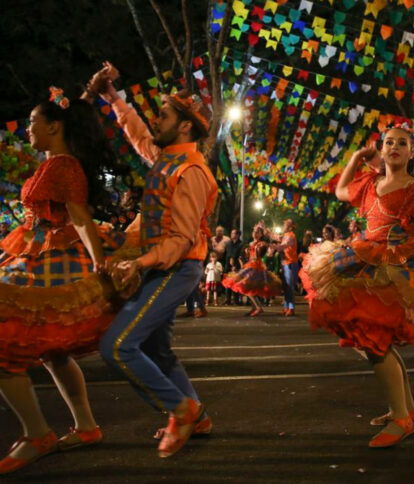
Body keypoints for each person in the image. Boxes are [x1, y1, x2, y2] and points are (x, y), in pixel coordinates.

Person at [0, 88, 130, 475]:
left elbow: (80, 215)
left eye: (32, 122)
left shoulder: (62, 166)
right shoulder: (57, 161)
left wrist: (99, 263)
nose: (26, 130)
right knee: (52, 351)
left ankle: (37, 433)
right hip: (35, 249)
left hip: (46, 257)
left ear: (54, 127)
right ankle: (85, 427)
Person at [301, 124, 414, 447]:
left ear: (411, 152)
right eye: (388, 142)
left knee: (374, 340)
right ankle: (405, 408)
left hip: (398, 269)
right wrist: (354, 158)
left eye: (401, 143)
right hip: (363, 261)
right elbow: (340, 190)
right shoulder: (371, 184)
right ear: (381, 150)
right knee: (370, 341)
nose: (394, 147)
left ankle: (401, 418)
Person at [90, 63, 217, 458]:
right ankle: (197, 414)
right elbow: (138, 134)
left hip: (177, 267)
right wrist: (113, 97)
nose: (155, 120)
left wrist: (140, 263)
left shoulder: (191, 171)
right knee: (159, 352)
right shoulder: (166, 158)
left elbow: (181, 240)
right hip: (161, 264)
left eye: (163, 115)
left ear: (184, 127)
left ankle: (180, 410)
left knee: (118, 347)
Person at [222, 225, 282, 317]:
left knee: (246, 287)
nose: (255, 233)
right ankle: (255, 307)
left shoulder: (261, 243)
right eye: (254, 231)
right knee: (247, 287)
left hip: (256, 267)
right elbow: (247, 255)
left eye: (258, 232)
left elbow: (259, 255)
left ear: (261, 234)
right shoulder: (251, 243)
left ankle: (258, 307)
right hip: (250, 265)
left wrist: (258, 249)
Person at [271, 219, 298, 316]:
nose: (283, 225)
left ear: (290, 227)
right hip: (286, 263)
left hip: (291, 263)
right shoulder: (286, 235)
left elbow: (283, 246)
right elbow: (275, 237)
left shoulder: (291, 236)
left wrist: (272, 246)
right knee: (286, 286)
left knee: (289, 287)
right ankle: (286, 307)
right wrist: (266, 231)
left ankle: (291, 308)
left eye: (285, 224)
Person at [224, 229, 244, 305]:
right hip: (228, 265)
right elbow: (226, 255)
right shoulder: (228, 243)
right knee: (227, 283)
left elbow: (240, 256)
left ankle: (236, 300)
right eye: (231, 233)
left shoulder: (241, 244)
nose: (232, 234)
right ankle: (227, 299)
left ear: (238, 235)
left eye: (234, 233)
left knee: (236, 283)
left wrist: (235, 265)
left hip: (236, 266)